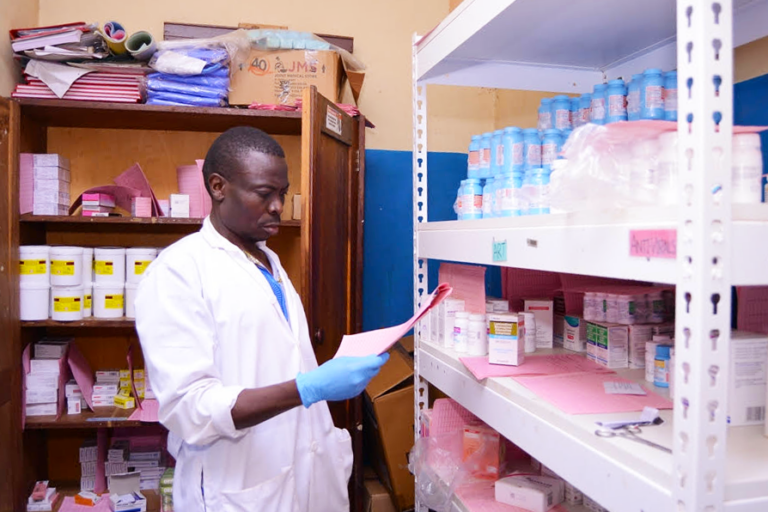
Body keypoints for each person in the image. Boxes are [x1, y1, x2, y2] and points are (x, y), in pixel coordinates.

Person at [135, 126, 388, 512]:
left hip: (304, 474)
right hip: (239, 483)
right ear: (218, 186)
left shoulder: (266, 259)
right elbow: (190, 408)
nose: (277, 207)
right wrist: (307, 388)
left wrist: (324, 377)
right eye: (264, 193)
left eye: (282, 194)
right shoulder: (178, 271)